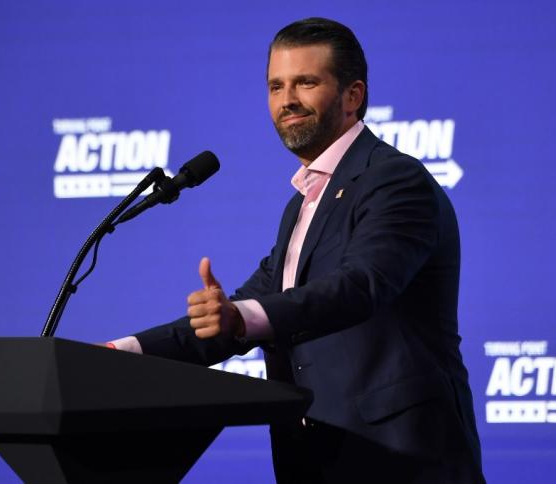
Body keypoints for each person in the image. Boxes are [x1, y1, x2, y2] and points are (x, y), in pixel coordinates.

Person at [107, 17, 485, 484]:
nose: (287, 100)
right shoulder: (302, 204)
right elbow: (240, 312)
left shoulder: (395, 180)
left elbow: (359, 286)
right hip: (312, 459)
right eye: (276, 86)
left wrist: (241, 317)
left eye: (306, 82)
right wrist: (121, 354)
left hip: (398, 460)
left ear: (353, 95)